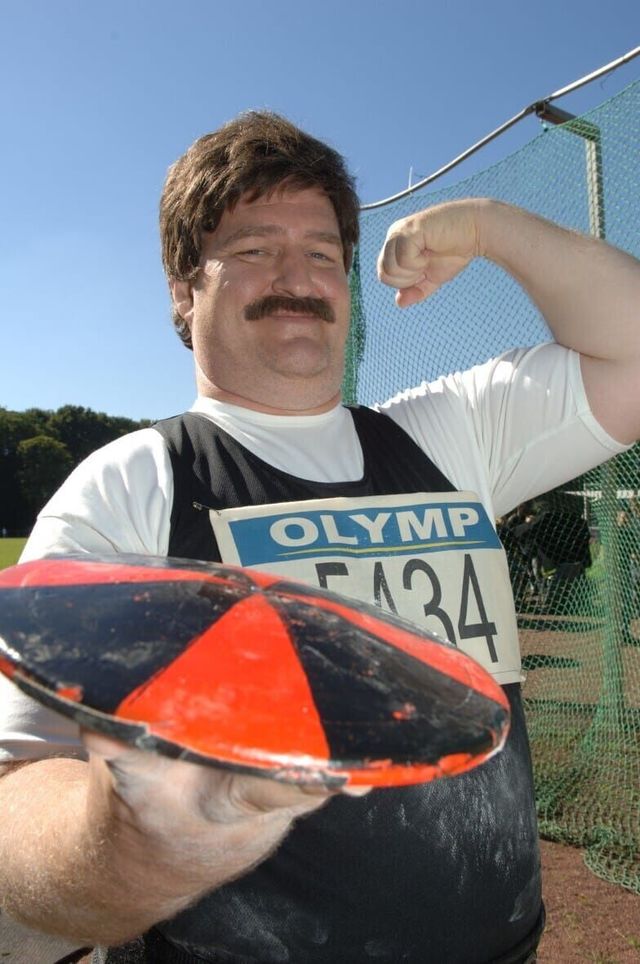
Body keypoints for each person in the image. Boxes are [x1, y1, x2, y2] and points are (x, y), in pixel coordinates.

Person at [1, 111, 639, 964]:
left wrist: (492, 227)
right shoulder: (135, 482)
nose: (295, 277)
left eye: (322, 252)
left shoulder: (450, 435)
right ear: (185, 290)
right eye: (253, 249)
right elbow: (17, 788)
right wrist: (129, 848)